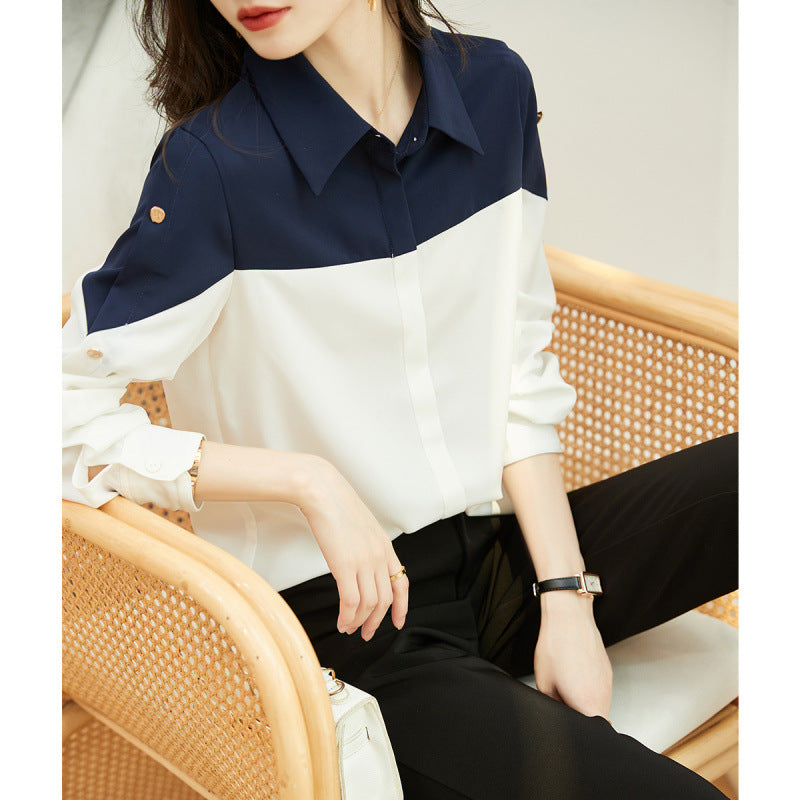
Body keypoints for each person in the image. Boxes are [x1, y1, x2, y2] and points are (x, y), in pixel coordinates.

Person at [62, 1, 738, 798]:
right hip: (350, 625)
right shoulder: (215, 168)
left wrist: (566, 601)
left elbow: (515, 363)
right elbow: (55, 415)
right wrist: (305, 479)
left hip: (500, 554)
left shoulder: (493, 90)